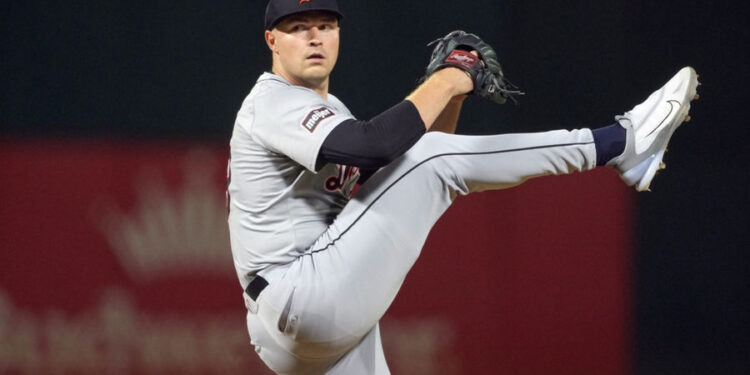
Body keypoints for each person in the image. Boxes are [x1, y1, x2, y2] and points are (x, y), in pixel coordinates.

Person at [226, 1, 699, 374]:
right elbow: (378, 147)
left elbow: (409, 173)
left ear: (339, 35)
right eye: (297, 26)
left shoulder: (328, 110)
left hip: (299, 319)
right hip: (300, 295)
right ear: (272, 40)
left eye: (324, 25)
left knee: (428, 161)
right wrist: (450, 76)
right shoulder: (273, 101)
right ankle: (620, 144)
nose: (313, 36)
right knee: (430, 161)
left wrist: (452, 91)